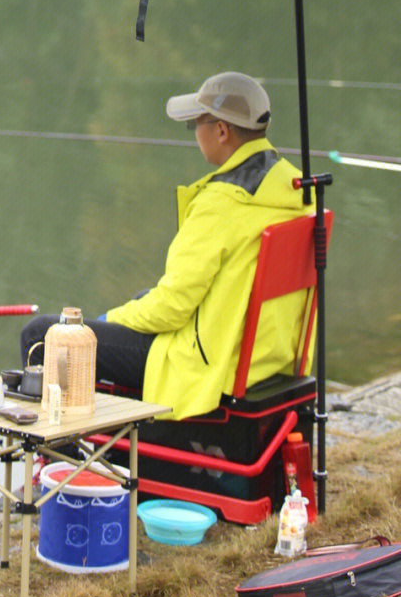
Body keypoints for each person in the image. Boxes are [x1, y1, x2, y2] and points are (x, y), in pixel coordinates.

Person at [19, 72, 307, 422]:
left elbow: (172, 308)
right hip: (262, 357)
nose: (195, 134)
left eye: (196, 124)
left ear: (221, 131)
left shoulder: (221, 203)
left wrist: (109, 319)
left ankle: (63, 464)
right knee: (143, 296)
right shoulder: (295, 190)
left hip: (207, 365)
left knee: (46, 337)